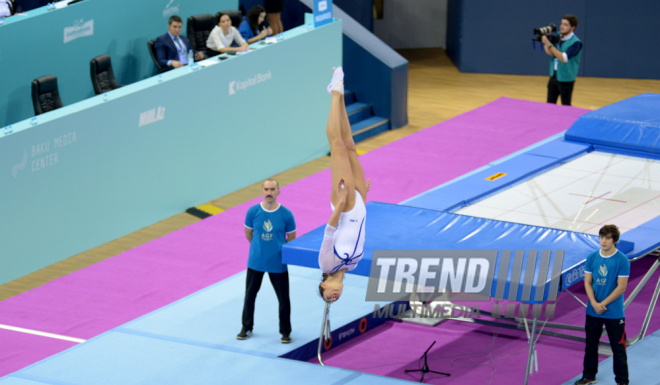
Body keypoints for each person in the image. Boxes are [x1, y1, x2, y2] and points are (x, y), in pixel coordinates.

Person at [318, 67, 370, 303]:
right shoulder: (354, 264)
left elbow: (330, 230)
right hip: (359, 202)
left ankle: (336, 93)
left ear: (323, 284)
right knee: (350, 145)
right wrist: (363, 198)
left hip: (344, 204)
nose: (334, 296)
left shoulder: (326, 263)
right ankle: (337, 95)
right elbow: (360, 230)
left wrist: (340, 203)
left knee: (336, 145)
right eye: (335, 299)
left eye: (328, 296)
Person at [239, 179, 296, 343]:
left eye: (272, 189)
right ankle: (246, 327)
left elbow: (291, 238)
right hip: (256, 261)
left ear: (278, 191)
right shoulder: (253, 211)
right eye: (266, 189)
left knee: (283, 298)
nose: (269, 192)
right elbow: (248, 234)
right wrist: (260, 248)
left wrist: (275, 250)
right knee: (250, 295)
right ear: (262, 191)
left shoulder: (286, 214)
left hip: (278, 263)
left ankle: (285, 332)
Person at [575, 224, 630, 385]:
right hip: (593, 311)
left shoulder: (622, 260)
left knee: (618, 348)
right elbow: (587, 282)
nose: (603, 241)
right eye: (601, 237)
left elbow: (621, 287)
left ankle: (622, 381)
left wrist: (602, 304)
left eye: (607, 238)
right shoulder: (592, 257)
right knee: (591, 345)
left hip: (614, 312)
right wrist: (593, 303)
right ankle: (589, 376)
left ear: (615, 241)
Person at [542, 14, 582, 106]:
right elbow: (551, 53)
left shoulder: (576, 43)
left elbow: (564, 58)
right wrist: (545, 43)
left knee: (566, 105)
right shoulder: (558, 37)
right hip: (554, 75)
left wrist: (550, 44)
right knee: (549, 105)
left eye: (565, 25)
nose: (561, 26)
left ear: (572, 27)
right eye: (561, 23)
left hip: (566, 78)